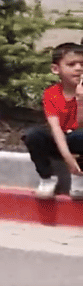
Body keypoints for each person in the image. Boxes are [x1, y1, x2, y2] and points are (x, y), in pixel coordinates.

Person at [24, 43, 83, 199]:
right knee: (33, 135)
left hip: (78, 140)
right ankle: (47, 179)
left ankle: (79, 179)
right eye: (71, 64)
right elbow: (55, 128)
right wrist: (68, 157)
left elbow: (80, 126)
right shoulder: (51, 94)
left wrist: (81, 102)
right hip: (59, 142)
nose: (78, 68)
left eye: (82, 64)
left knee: (81, 136)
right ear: (56, 69)